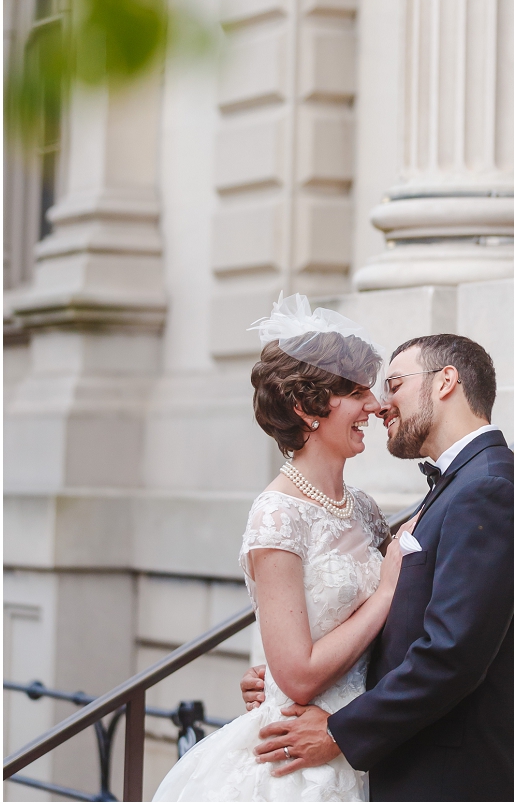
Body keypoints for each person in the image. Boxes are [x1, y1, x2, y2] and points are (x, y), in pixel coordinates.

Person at [242, 333, 514, 802]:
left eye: (392, 384)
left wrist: (337, 730)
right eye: (360, 392)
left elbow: (450, 653)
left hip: (454, 775)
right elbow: (408, 603)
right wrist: (285, 677)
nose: (380, 404)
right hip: (401, 763)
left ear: (445, 383)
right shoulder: (462, 485)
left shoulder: (485, 488)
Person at [153, 294, 407, 802]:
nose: (374, 406)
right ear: (306, 408)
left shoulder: (362, 508)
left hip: (360, 736)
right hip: (302, 757)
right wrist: (385, 593)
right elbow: (298, 673)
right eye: (356, 393)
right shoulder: (277, 514)